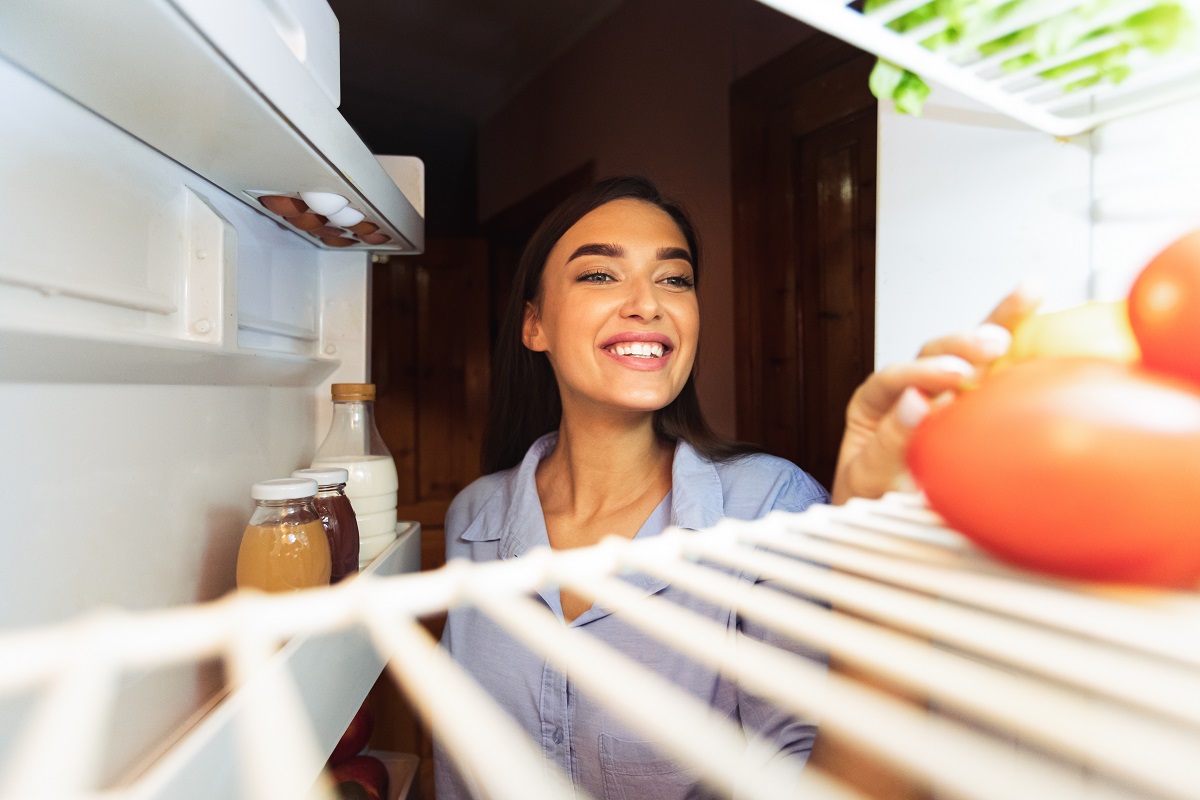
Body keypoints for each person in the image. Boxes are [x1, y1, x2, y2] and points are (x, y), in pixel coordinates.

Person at [434, 175, 1032, 799]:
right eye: (600, 275)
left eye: (675, 279)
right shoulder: (475, 518)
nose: (648, 303)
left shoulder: (771, 508)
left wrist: (885, 579)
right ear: (535, 325)